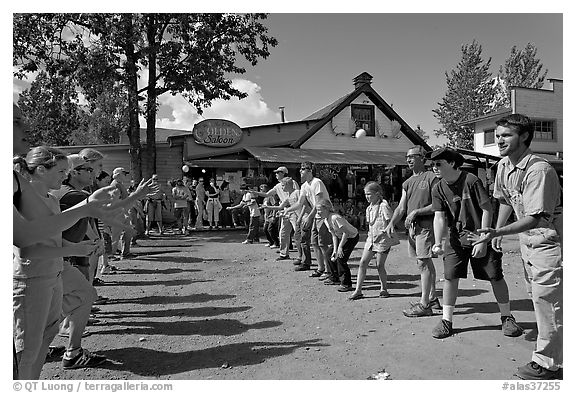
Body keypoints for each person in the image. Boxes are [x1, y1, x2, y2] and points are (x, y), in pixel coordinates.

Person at [469, 114, 562, 380]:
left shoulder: (538, 170)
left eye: (505, 135)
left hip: (549, 242)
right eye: (497, 135)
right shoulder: (503, 167)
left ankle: (547, 363)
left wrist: (497, 231)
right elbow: (506, 200)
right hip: (527, 243)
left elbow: (536, 217)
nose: (499, 140)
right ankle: (557, 351)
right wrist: (497, 233)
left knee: (548, 301)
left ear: (523, 137)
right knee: (539, 297)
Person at [426, 147, 523, 341]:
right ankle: (447, 320)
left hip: (479, 235)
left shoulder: (471, 180)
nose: (434, 168)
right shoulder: (437, 187)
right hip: (456, 240)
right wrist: (438, 242)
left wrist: (483, 239)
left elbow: (487, 209)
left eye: (438, 164)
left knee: (495, 276)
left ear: (452, 163)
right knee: (450, 278)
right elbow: (439, 217)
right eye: (433, 165)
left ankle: (507, 317)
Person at [385, 146, 441, 317]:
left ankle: (424, 304)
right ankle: (432, 298)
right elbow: (401, 207)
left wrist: (416, 212)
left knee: (424, 263)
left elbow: (438, 205)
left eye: (412, 157)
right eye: (406, 157)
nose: (408, 160)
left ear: (422, 158)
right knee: (423, 263)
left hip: (426, 226)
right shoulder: (407, 182)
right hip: (412, 229)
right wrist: (391, 223)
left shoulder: (432, 177)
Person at [349, 181, 399, 300]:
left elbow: (390, 223)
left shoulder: (383, 206)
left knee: (379, 265)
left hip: (383, 240)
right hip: (371, 239)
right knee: (362, 263)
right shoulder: (368, 208)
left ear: (377, 194)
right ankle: (358, 290)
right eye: (366, 194)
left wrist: (382, 234)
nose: (367, 197)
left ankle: (384, 288)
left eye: (369, 194)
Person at [286, 161, 332, 276]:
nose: (300, 171)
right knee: (314, 243)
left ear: (310, 170)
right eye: (300, 169)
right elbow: (300, 203)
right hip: (316, 216)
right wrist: (287, 209)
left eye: (303, 169)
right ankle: (320, 269)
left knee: (322, 244)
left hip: (324, 215)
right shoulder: (304, 186)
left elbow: (319, 203)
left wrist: (309, 217)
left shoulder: (317, 182)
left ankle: (328, 270)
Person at [251, 166, 300, 261]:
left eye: (278, 172)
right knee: (283, 233)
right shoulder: (278, 186)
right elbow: (267, 194)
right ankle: (284, 253)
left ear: (284, 173)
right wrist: (254, 192)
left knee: (297, 234)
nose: (276, 174)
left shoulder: (292, 183)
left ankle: (301, 256)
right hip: (285, 211)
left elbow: (296, 197)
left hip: (293, 211)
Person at [316, 199, 358, 292]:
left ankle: (346, 284)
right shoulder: (326, 219)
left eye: (320, 210)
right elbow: (334, 235)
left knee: (341, 258)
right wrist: (335, 250)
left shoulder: (335, 218)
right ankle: (334, 277)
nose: (318, 212)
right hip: (340, 237)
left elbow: (346, 233)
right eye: (317, 210)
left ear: (327, 209)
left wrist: (340, 248)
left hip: (351, 237)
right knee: (328, 254)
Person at [261, 184, 280, 248]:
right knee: (265, 229)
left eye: (262, 189)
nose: (261, 190)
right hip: (267, 216)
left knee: (270, 229)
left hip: (271, 215)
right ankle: (270, 241)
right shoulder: (265, 198)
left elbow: (275, 205)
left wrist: (274, 215)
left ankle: (276, 242)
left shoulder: (271, 197)